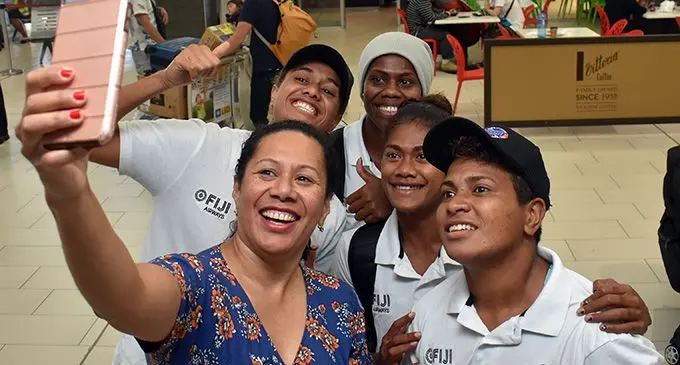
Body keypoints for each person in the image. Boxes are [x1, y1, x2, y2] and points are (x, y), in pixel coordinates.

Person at [20, 43, 354, 365]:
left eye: (328, 90)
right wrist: (69, 191)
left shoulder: (339, 300)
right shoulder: (200, 146)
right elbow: (126, 296)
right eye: (302, 78)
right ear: (237, 187)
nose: (282, 190)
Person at [334, 98, 654, 362]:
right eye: (448, 192)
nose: (456, 204)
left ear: (532, 216)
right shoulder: (427, 313)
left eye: (481, 189)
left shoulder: (594, 329)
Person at [333, 32, 434, 232]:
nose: (390, 91)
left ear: (423, 93)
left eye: (405, 82)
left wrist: (393, 199)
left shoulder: (441, 151)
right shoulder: (334, 150)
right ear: (363, 89)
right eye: (378, 80)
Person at [211, 0, 282, 128]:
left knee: (258, 116)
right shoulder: (278, 2)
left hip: (262, 66)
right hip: (280, 61)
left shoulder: (253, 3)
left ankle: (263, 142)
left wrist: (213, 55)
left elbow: (237, 39)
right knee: (274, 111)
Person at [406, 0, 482, 73]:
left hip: (424, 27)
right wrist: (446, 14)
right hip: (419, 31)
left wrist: (446, 12)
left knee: (454, 30)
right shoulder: (421, 1)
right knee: (445, 35)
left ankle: (463, 64)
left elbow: (433, 11)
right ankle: (446, 62)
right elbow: (431, 17)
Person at [127, 0, 169, 76]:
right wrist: (165, 45)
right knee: (149, 80)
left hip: (151, 47)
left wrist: (157, 10)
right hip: (145, 49)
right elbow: (145, 23)